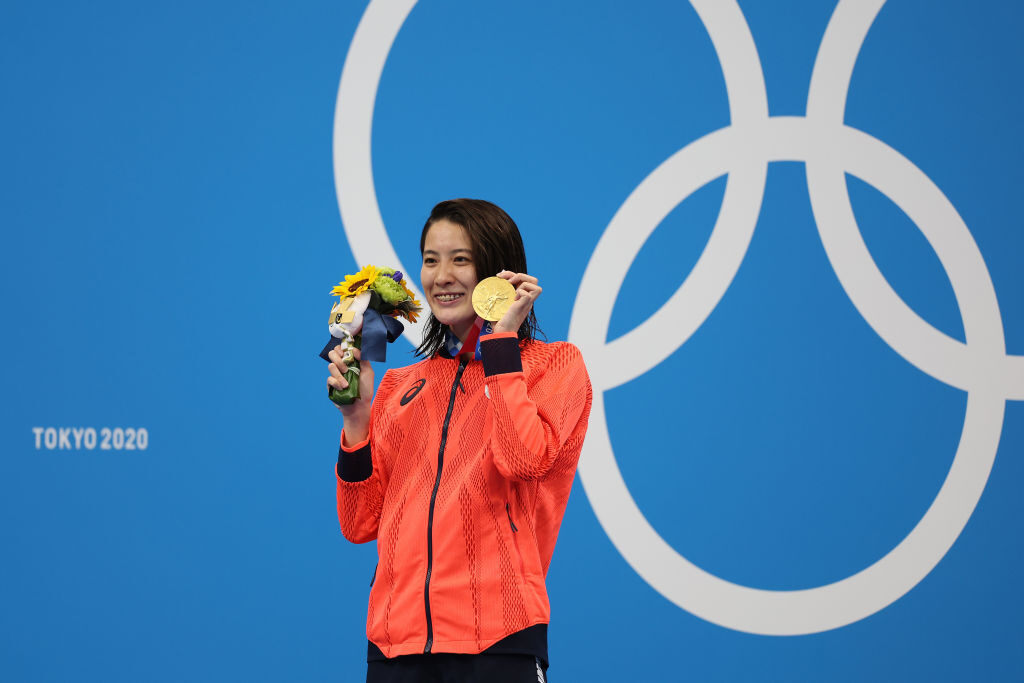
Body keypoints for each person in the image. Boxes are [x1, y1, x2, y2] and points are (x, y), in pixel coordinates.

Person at [327, 199, 592, 683]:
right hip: (394, 644)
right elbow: (360, 522)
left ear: (497, 270)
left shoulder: (554, 366)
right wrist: (357, 419)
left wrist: (501, 346)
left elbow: (523, 460)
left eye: (461, 259)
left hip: (498, 639)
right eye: (431, 260)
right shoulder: (399, 385)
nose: (441, 276)